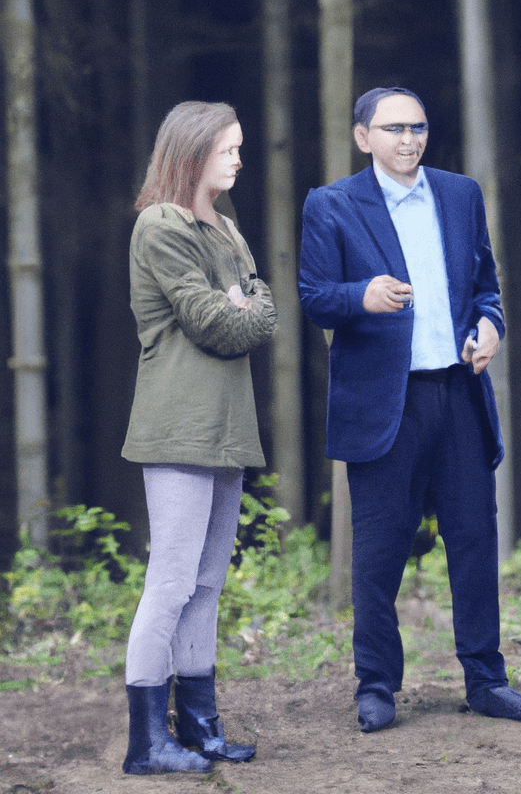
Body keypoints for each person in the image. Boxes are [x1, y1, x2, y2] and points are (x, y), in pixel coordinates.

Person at [298, 86, 521, 733]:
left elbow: (485, 286)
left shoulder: (459, 194)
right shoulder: (331, 204)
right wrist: (361, 295)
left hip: (458, 394)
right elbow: (313, 296)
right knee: (379, 552)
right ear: (364, 137)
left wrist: (491, 324)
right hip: (384, 405)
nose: (409, 139)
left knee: (474, 541)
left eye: (418, 127)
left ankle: (486, 680)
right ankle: (376, 686)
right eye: (394, 128)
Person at [120, 101, 277, 774]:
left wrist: (250, 302)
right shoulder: (161, 224)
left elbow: (260, 311)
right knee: (173, 579)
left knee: (208, 583)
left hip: (228, 429)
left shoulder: (228, 227)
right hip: (178, 427)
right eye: (228, 149)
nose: (240, 159)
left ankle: (201, 727)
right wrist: (244, 304)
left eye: (239, 148)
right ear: (191, 152)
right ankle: (145, 743)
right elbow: (222, 325)